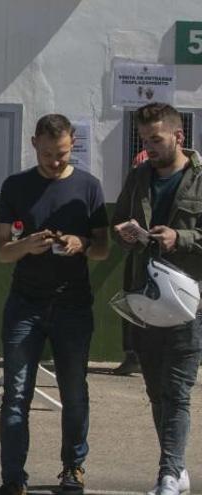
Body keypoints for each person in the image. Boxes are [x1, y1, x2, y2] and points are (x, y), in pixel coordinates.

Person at [0, 114, 109, 495]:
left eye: (61, 153)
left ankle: (73, 468)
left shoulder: (88, 187)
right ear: (33, 144)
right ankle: (13, 477)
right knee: (16, 394)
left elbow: (103, 249)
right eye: (47, 154)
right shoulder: (15, 186)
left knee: (74, 392)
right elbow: (2, 253)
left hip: (73, 306)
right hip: (24, 306)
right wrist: (25, 246)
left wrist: (82, 245)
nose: (55, 161)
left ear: (72, 143)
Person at [111, 102, 202, 495]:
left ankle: (168, 473)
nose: (149, 146)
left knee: (177, 390)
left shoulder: (200, 179)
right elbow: (118, 224)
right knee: (155, 390)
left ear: (179, 136)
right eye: (145, 139)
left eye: (157, 139)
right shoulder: (138, 177)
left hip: (186, 302)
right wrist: (126, 234)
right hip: (145, 301)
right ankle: (176, 468)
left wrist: (177, 238)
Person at [112, 148, 150, 376]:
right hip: (137, 254)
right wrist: (123, 233)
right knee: (132, 302)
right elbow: (119, 218)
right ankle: (133, 354)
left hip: (171, 259)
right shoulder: (135, 184)